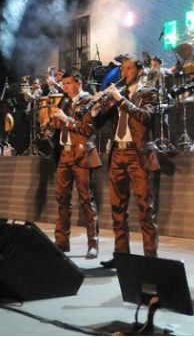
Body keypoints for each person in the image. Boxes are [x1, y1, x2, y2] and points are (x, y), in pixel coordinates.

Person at [93, 54, 160, 267]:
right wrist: (95, 110)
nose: (124, 72)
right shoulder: (118, 94)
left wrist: (121, 100)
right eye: (122, 69)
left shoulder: (149, 92)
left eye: (129, 68)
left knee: (145, 208)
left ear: (139, 71)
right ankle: (121, 256)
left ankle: (150, 259)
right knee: (117, 207)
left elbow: (146, 117)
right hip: (117, 153)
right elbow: (99, 122)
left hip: (137, 154)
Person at [48, 71, 101, 259]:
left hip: (82, 154)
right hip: (65, 155)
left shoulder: (90, 101)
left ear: (79, 83)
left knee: (86, 199)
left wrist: (65, 119)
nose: (65, 87)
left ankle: (93, 244)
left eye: (69, 83)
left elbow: (88, 129)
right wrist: (51, 121)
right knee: (62, 199)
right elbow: (59, 125)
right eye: (64, 84)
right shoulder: (65, 101)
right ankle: (61, 242)